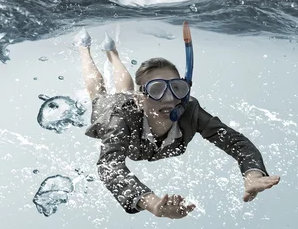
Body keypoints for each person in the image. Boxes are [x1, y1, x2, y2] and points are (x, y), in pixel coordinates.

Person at [74, 27, 280, 219]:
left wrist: (252, 173)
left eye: (177, 88)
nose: (169, 99)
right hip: (115, 109)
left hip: (134, 101)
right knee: (100, 95)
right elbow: (109, 166)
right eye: (156, 90)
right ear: (142, 97)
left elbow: (236, 142)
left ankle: (112, 53)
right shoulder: (119, 118)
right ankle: (84, 48)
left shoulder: (189, 111)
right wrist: (151, 202)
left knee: (125, 90)